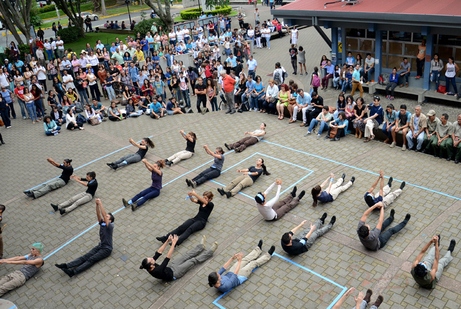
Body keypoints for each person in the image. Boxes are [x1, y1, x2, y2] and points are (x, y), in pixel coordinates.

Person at [55, 199, 114, 277]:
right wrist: (97, 205)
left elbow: (103, 214)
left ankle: (73, 272)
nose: (105, 217)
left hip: (107, 249)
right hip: (101, 245)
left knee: (91, 259)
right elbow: (99, 215)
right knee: (85, 256)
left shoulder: (110, 226)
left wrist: (100, 203)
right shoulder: (102, 223)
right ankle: (67, 265)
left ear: (110, 220)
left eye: (107, 217)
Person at [141, 234, 217, 282]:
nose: (152, 258)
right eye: (151, 260)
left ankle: (201, 247)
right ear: (151, 265)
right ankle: (210, 252)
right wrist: (173, 243)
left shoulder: (149, 265)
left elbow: (158, 253)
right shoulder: (157, 271)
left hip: (170, 267)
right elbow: (167, 257)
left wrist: (167, 241)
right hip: (175, 273)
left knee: (186, 256)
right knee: (193, 261)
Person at [208, 240, 275, 293]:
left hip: (231, 273)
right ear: (217, 281)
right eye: (218, 275)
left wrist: (232, 258)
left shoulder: (215, 279)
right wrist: (239, 261)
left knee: (245, 259)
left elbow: (223, 268)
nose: (219, 274)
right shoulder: (225, 286)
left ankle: (258, 249)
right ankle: (268, 255)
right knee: (253, 263)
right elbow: (235, 275)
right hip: (238, 277)